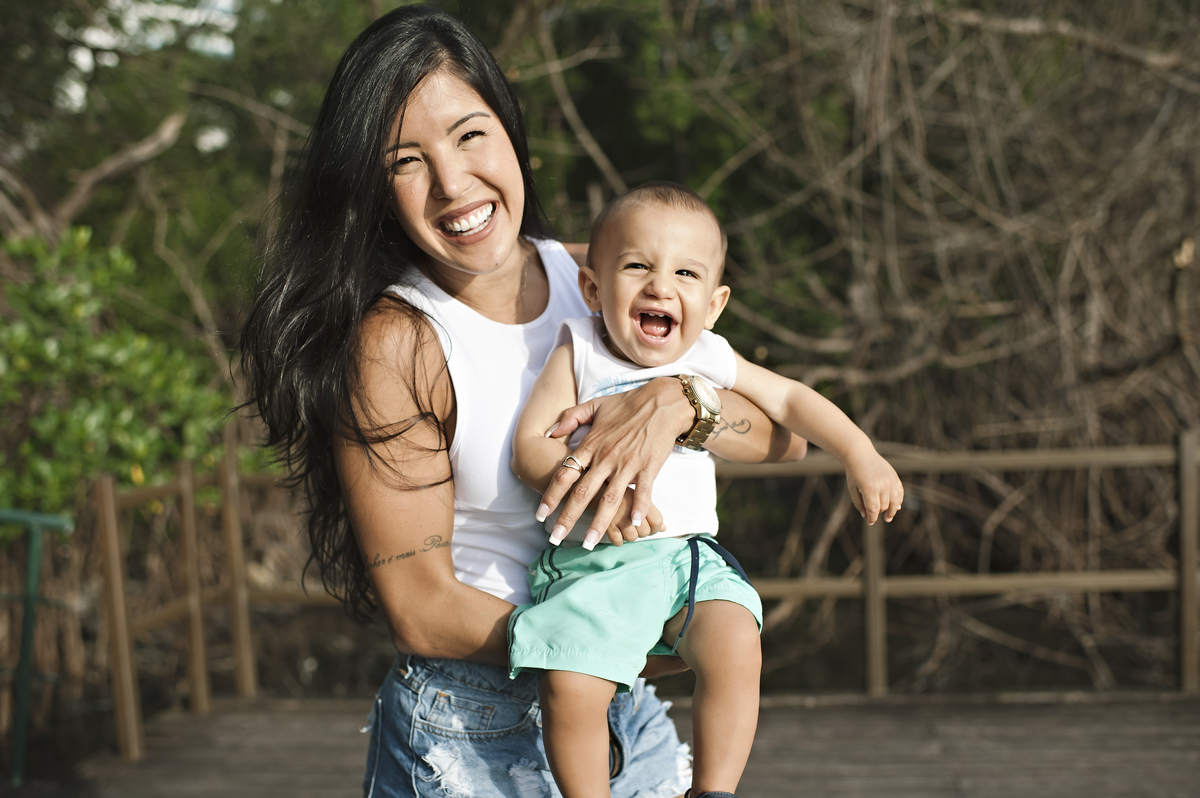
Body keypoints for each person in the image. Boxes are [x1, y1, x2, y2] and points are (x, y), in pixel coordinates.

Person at [238, 7, 806, 797]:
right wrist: (607, 640)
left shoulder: (602, 277)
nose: (453, 184)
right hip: (472, 731)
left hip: (619, 715)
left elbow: (784, 438)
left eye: (471, 135)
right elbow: (419, 605)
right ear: (374, 187)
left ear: (510, 132)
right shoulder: (396, 342)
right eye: (407, 160)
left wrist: (683, 403)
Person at [509, 183, 904, 798]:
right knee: (571, 684)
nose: (661, 286)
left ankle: (712, 790)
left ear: (714, 303)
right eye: (637, 265)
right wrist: (591, 483)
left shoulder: (707, 356)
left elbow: (791, 401)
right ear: (593, 288)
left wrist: (860, 451)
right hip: (600, 560)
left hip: (688, 558)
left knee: (737, 642)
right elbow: (530, 446)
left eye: (686, 273)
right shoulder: (580, 349)